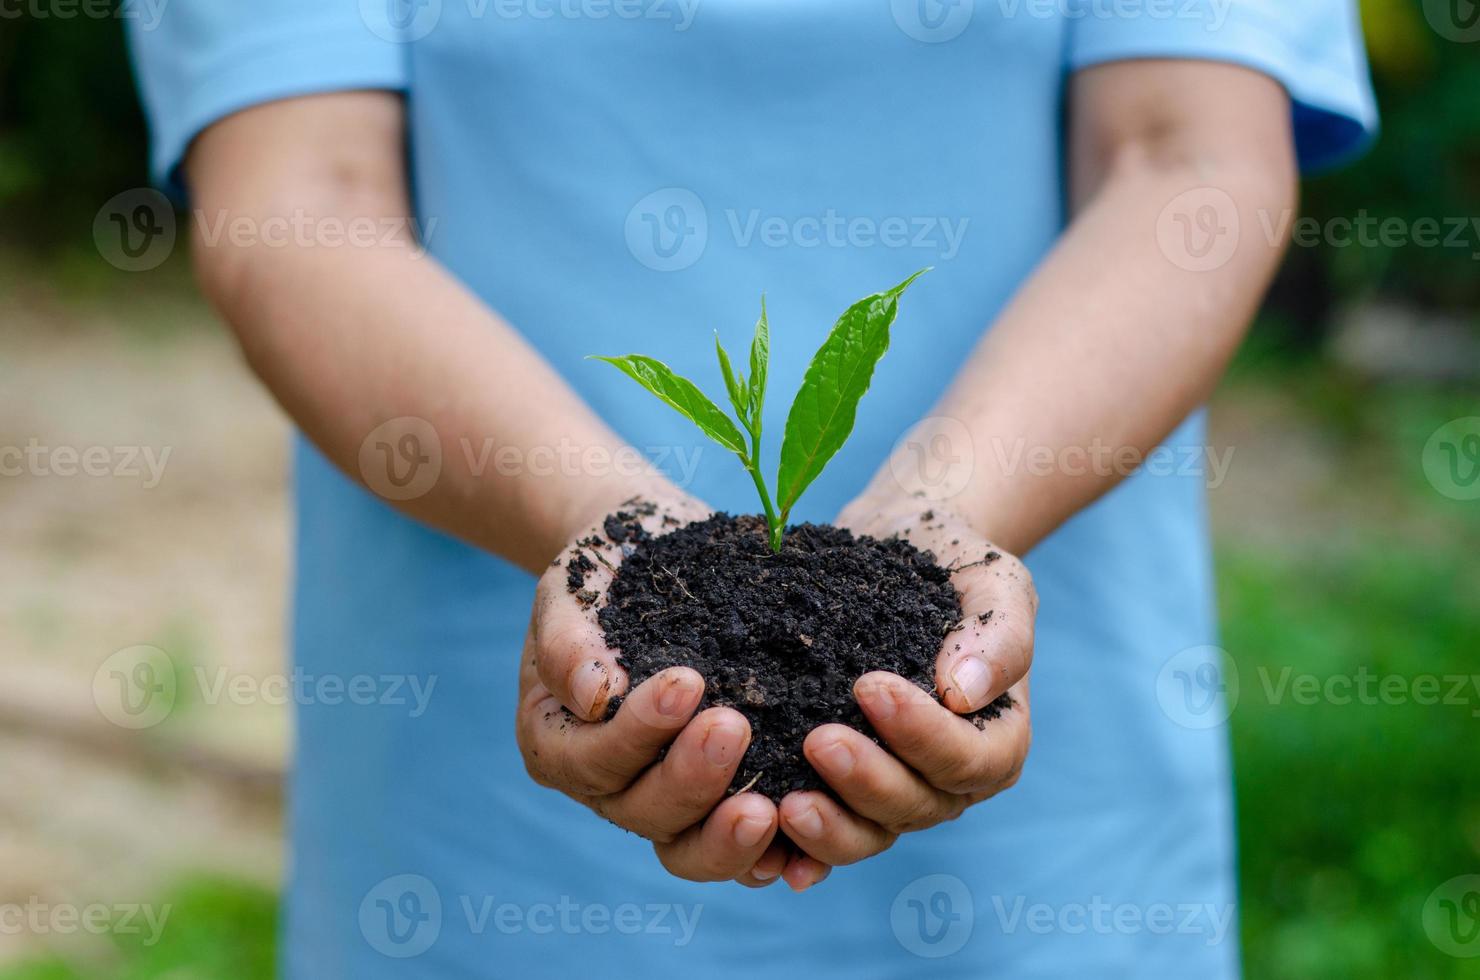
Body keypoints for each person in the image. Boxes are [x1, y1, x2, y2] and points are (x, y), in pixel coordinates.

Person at [128, 1, 1375, 975]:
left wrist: (949, 509)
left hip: (1046, 809)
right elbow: (296, 199)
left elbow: (1186, 158)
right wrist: (602, 523)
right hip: (493, 804)